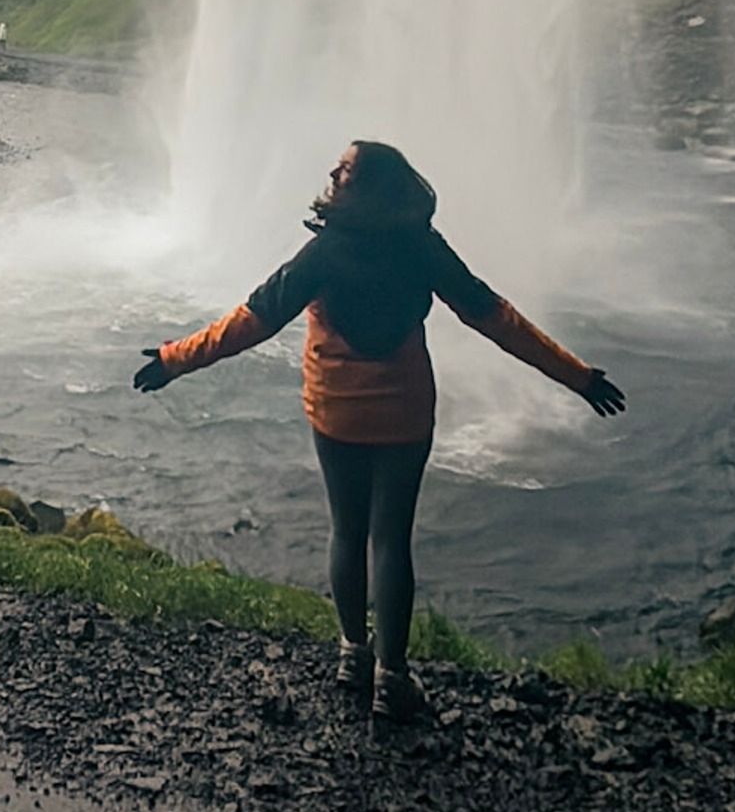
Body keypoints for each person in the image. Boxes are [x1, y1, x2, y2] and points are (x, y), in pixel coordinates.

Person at [135, 139, 624, 724]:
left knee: (347, 530)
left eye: (345, 169)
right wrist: (579, 377)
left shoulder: (322, 254)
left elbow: (250, 322)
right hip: (403, 413)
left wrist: (173, 359)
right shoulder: (424, 250)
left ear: (367, 187)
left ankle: (352, 655)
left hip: (336, 411)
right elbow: (497, 320)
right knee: (391, 540)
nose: (333, 173)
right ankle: (392, 678)